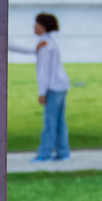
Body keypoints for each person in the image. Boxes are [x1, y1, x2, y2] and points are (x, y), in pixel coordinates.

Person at [9, 12, 70, 162]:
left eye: (36, 23)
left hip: (53, 87)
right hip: (61, 85)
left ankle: (44, 154)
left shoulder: (44, 46)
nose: (33, 26)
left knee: (50, 122)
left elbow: (44, 72)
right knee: (59, 122)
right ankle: (63, 153)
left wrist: (41, 92)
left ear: (43, 26)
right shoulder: (49, 42)